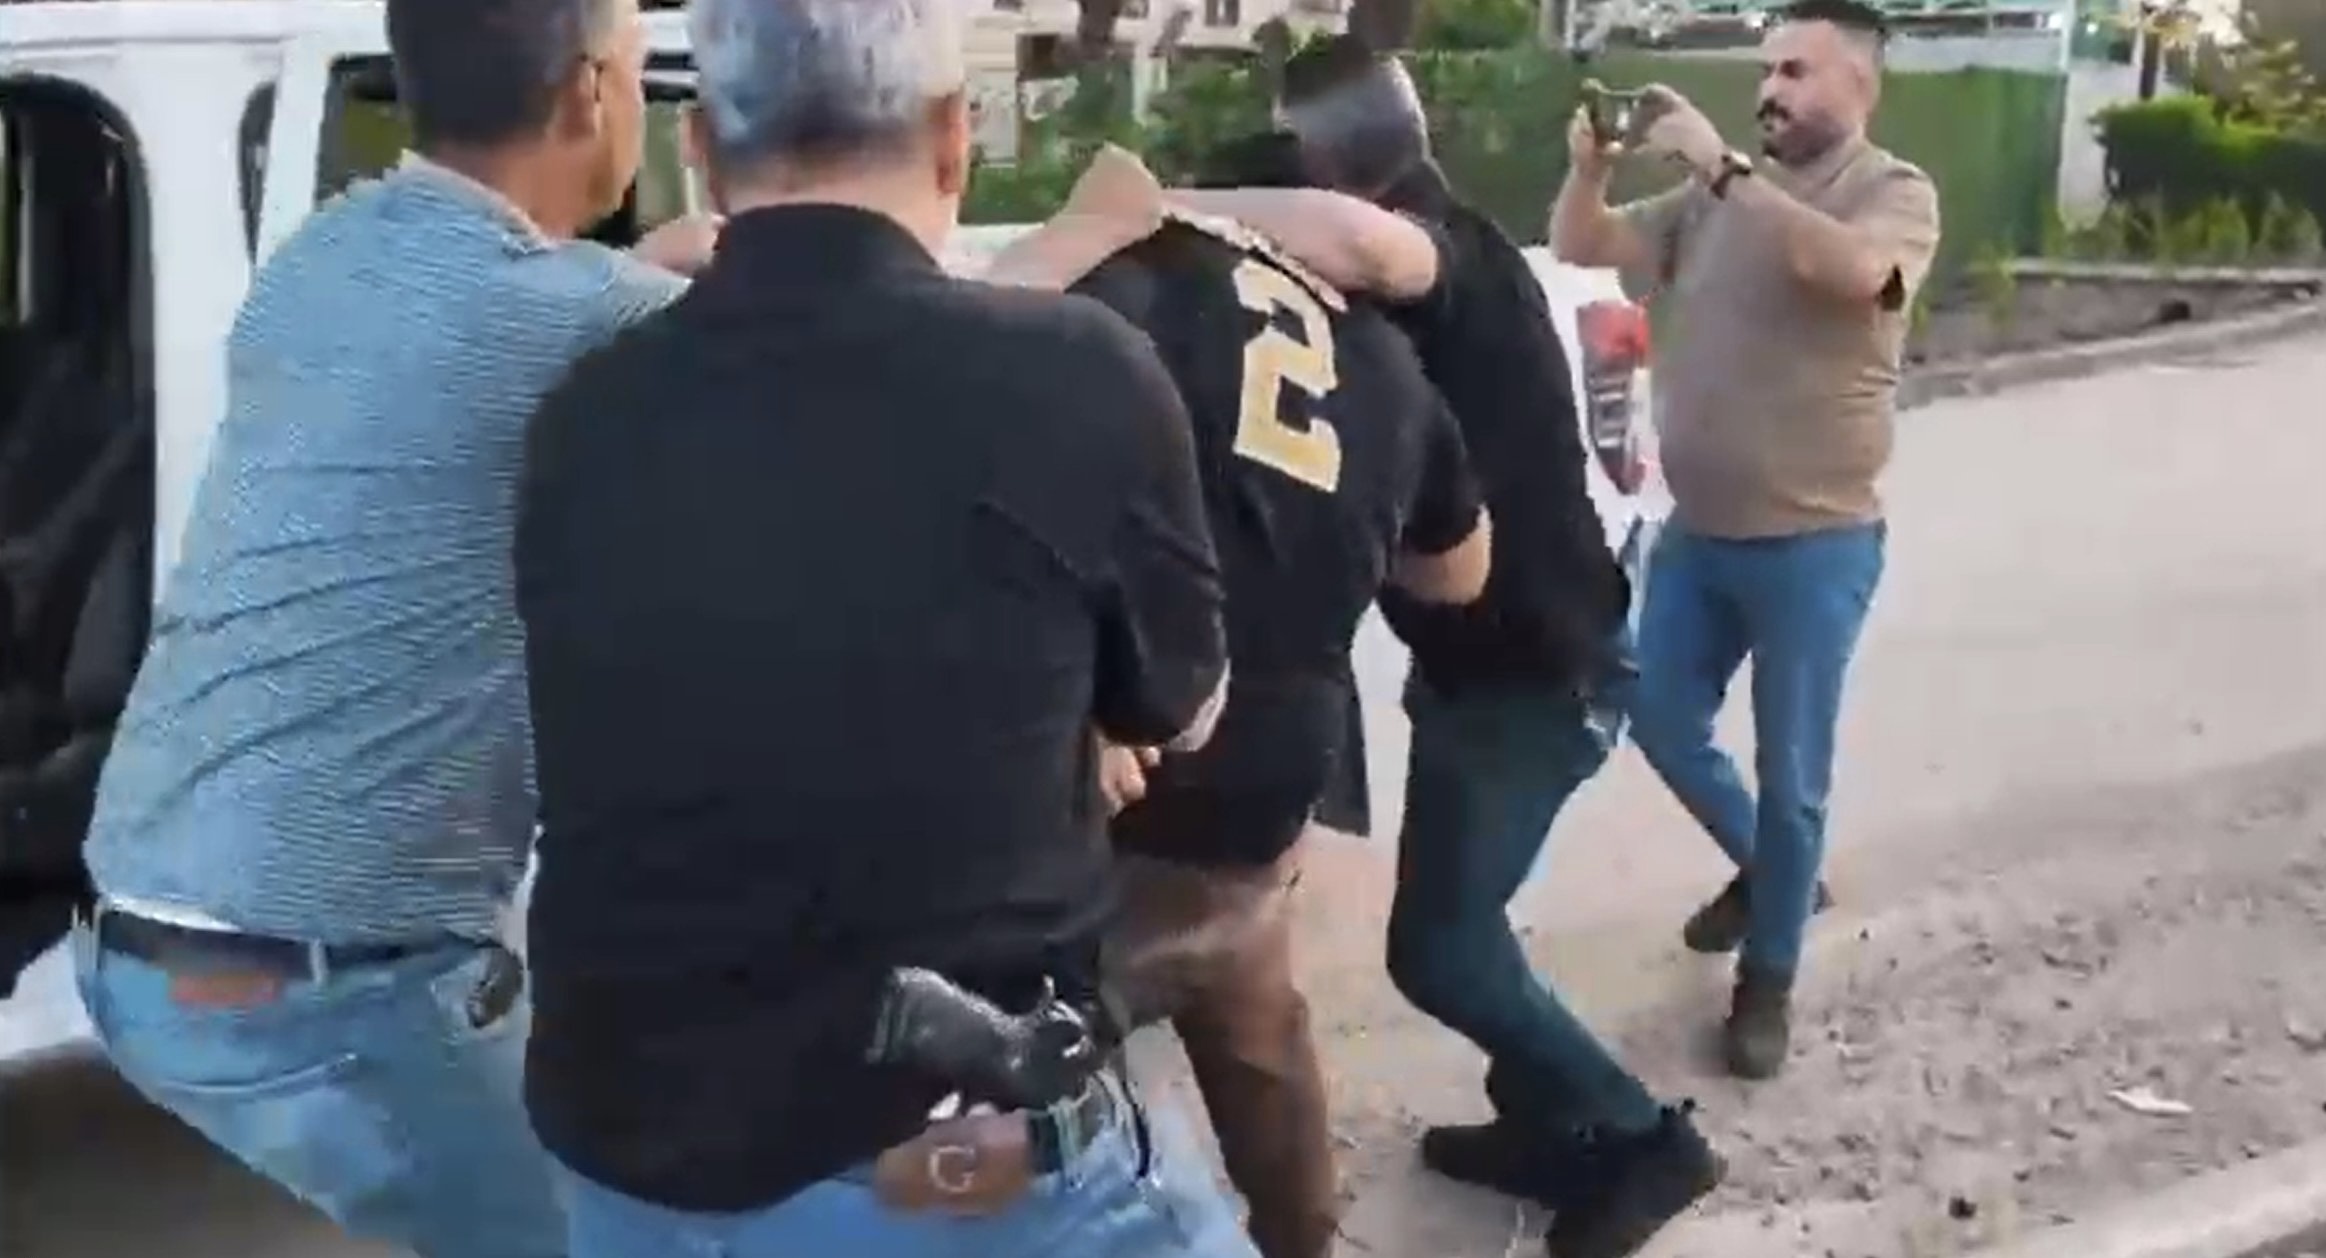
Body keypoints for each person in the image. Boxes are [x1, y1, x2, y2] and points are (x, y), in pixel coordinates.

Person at [511, 0, 1256, 1254]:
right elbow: (1181, 709)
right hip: (935, 1163)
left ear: (699, 151)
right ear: (956, 138)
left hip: (618, 1148)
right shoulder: (1079, 373)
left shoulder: (585, 408)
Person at [67, 0, 718, 1253]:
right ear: (591, 94)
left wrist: (651, 262)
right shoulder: (573, 313)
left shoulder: (324, 257)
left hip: (141, 931)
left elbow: (495, 332)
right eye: (643, 75)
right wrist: (1088, 231)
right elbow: (873, 342)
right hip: (310, 991)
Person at [1220, 34, 1727, 1258]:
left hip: (1539, 681)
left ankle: (1641, 1136)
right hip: (1491, 670)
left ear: (1327, 168)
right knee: (1466, 922)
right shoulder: (1447, 253)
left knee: (1440, 951)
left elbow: (1361, 249)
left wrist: (1163, 211)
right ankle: (1547, 1120)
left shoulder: (1440, 254)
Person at [984, 137, 1493, 1258]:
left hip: (1116, 774)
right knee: (1252, 1012)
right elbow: (1459, 572)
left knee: (1016, 1068)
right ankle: (1303, 1239)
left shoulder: (1122, 284)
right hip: (1274, 785)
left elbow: (953, 399)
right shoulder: (1391, 365)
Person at [1550, 0, 1940, 1082]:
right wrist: (1589, 172)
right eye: (1767, 70)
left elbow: (1849, 274)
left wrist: (1721, 169)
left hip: (1816, 544)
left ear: (1860, 83)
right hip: (1700, 533)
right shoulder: (1712, 200)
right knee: (1659, 717)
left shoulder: (1893, 192)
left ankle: (1767, 978)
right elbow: (1587, 249)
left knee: (1793, 775)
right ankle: (1775, 875)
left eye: (1797, 71)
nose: (1770, 90)